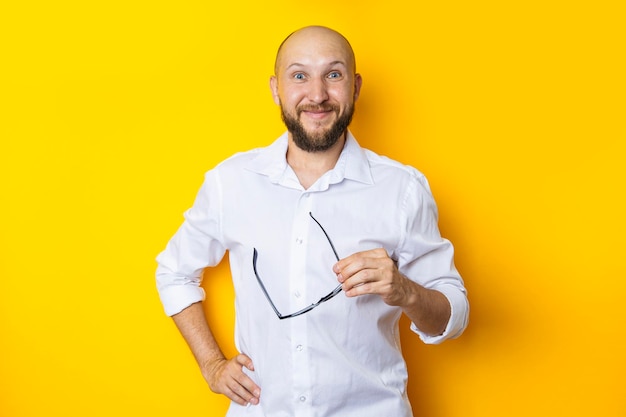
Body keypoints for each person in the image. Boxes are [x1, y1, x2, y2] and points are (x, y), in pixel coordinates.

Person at [156, 25, 469, 417]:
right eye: (299, 75)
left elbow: (453, 314)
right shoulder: (230, 183)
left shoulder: (402, 189)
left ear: (355, 87)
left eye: (333, 75)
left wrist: (405, 290)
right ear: (276, 88)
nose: (317, 95)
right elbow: (173, 271)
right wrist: (212, 364)